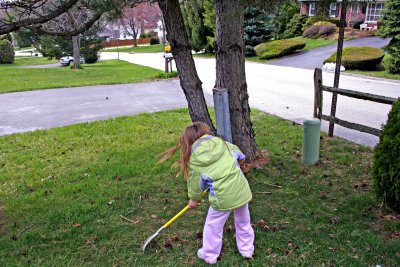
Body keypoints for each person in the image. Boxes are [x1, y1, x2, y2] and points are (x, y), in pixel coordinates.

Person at [160, 121, 254, 264]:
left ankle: (209, 255)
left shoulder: (195, 159)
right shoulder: (221, 143)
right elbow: (239, 154)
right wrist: (239, 162)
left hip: (222, 197)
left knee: (213, 225)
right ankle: (247, 250)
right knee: (243, 220)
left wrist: (193, 199)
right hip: (241, 189)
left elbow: (196, 185)